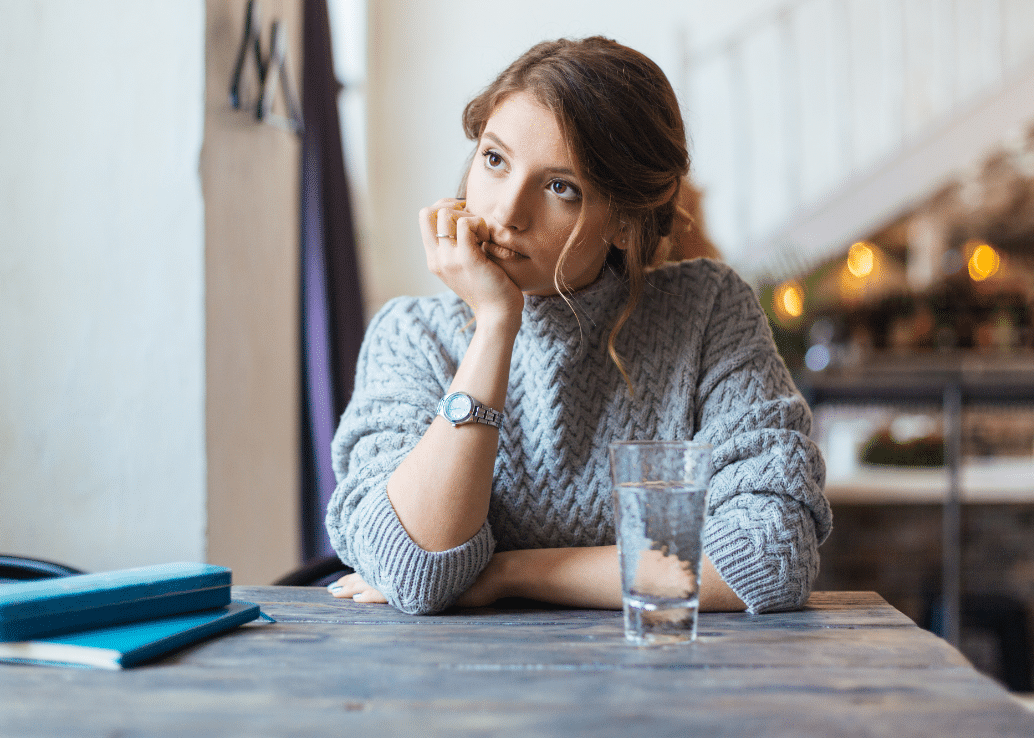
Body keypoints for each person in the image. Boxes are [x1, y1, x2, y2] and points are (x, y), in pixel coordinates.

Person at [325, 36, 831, 615]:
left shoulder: (706, 312)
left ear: (625, 216)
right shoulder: (412, 335)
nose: (506, 213)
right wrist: (495, 325)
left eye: (560, 187)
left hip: (661, 686)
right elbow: (413, 571)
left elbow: (769, 558)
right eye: (494, 160)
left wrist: (512, 572)